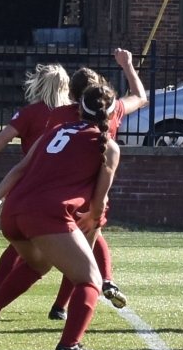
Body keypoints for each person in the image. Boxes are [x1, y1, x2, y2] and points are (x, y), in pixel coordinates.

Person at [0, 84, 122, 350]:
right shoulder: (108, 146)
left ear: (79, 108)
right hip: (46, 215)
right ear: (111, 115)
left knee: (38, 263)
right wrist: (94, 217)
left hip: (13, 211)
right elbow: (99, 200)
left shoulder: (53, 132)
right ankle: (69, 345)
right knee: (90, 281)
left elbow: (18, 169)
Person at [42, 50, 148, 318]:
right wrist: (127, 65)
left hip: (62, 189)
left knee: (45, 256)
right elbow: (141, 96)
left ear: (74, 96)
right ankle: (68, 302)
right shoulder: (113, 111)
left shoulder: (61, 114)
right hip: (95, 190)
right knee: (87, 245)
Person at [0, 63, 71, 304]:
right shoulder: (75, 113)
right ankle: (62, 306)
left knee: (21, 244)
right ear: (65, 86)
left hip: (30, 189)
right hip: (66, 190)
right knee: (84, 242)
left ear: (38, 85)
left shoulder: (30, 113)